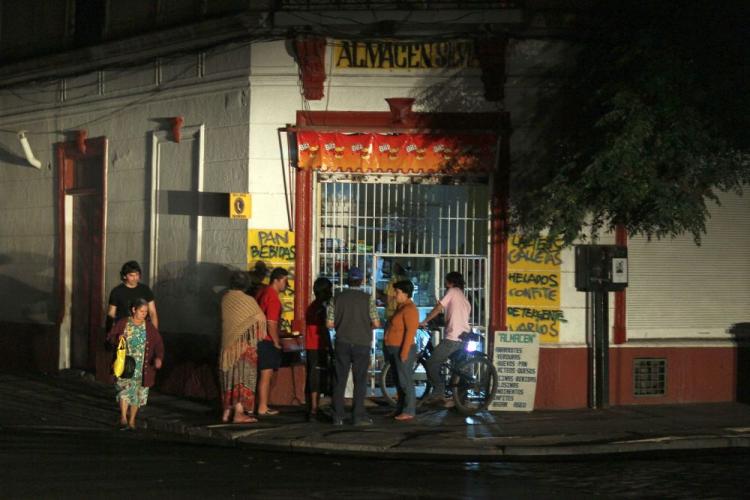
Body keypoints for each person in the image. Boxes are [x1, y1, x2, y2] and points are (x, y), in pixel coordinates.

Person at [327, 266, 381, 426]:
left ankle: (337, 415)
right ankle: (358, 416)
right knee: (360, 380)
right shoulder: (367, 299)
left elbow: (329, 323)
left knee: (340, 379)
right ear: (362, 281)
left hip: (342, 342)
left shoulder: (337, 298)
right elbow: (376, 323)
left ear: (347, 280)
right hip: (362, 343)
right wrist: (364, 326)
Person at [107, 298, 164, 430]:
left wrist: (159, 358)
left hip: (142, 367)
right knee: (125, 390)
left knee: (137, 394)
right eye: (141, 311)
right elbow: (110, 337)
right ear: (134, 310)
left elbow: (159, 344)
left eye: (146, 312)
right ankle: (123, 417)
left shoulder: (149, 327)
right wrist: (117, 339)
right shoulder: (123, 323)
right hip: (126, 364)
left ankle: (132, 420)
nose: (144, 314)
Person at [219, 271, 266, 424]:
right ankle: (239, 413)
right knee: (241, 378)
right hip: (242, 347)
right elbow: (260, 318)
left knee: (230, 378)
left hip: (227, 346)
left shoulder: (225, 298)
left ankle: (227, 411)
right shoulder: (248, 300)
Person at [419, 271, 471, 406]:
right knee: (457, 369)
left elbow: (438, 308)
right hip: (463, 338)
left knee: (431, 363)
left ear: (451, 282)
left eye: (446, 281)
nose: (445, 284)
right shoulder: (464, 298)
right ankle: (459, 400)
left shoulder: (452, 291)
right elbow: (455, 316)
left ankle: (439, 391)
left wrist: (425, 321)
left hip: (453, 338)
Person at [383, 280, 419, 421]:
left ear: (406, 293)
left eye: (397, 292)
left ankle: (409, 410)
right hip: (394, 348)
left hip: (402, 349)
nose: (395, 295)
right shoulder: (401, 307)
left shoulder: (410, 309)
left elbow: (410, 333)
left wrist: (404, 352)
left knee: (405, 381)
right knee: (398, 381)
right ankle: (400, 408)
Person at [254, 267, 288, 416]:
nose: (286, 285)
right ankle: (262, 406)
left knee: (261, 374)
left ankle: (259, 405)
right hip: (266, 340)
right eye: (284, 281)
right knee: (266, 375)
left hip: (257, 337)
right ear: (277, 280)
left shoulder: (262, 292)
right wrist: (276, 341)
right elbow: (271, 323)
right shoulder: (273, 297)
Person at [305, 277, 333, 421]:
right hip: (317, 345)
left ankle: (313, 408)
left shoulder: (312, 307)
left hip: (312, 346)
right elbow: (323, 330)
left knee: (313, 375)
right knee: (316, 377)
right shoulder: (319, 309)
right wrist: (330, 347)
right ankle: (314, 409)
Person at [107, 260, 159, 333]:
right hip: (123, 331)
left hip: (142, 330)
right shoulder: (116, 292)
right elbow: (111, 314)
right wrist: (110, 334)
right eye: (131, 275)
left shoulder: (145, 290)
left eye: (137, 275)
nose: (135, 278)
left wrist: (155, 333)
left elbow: (152, 313)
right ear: (124, 276)